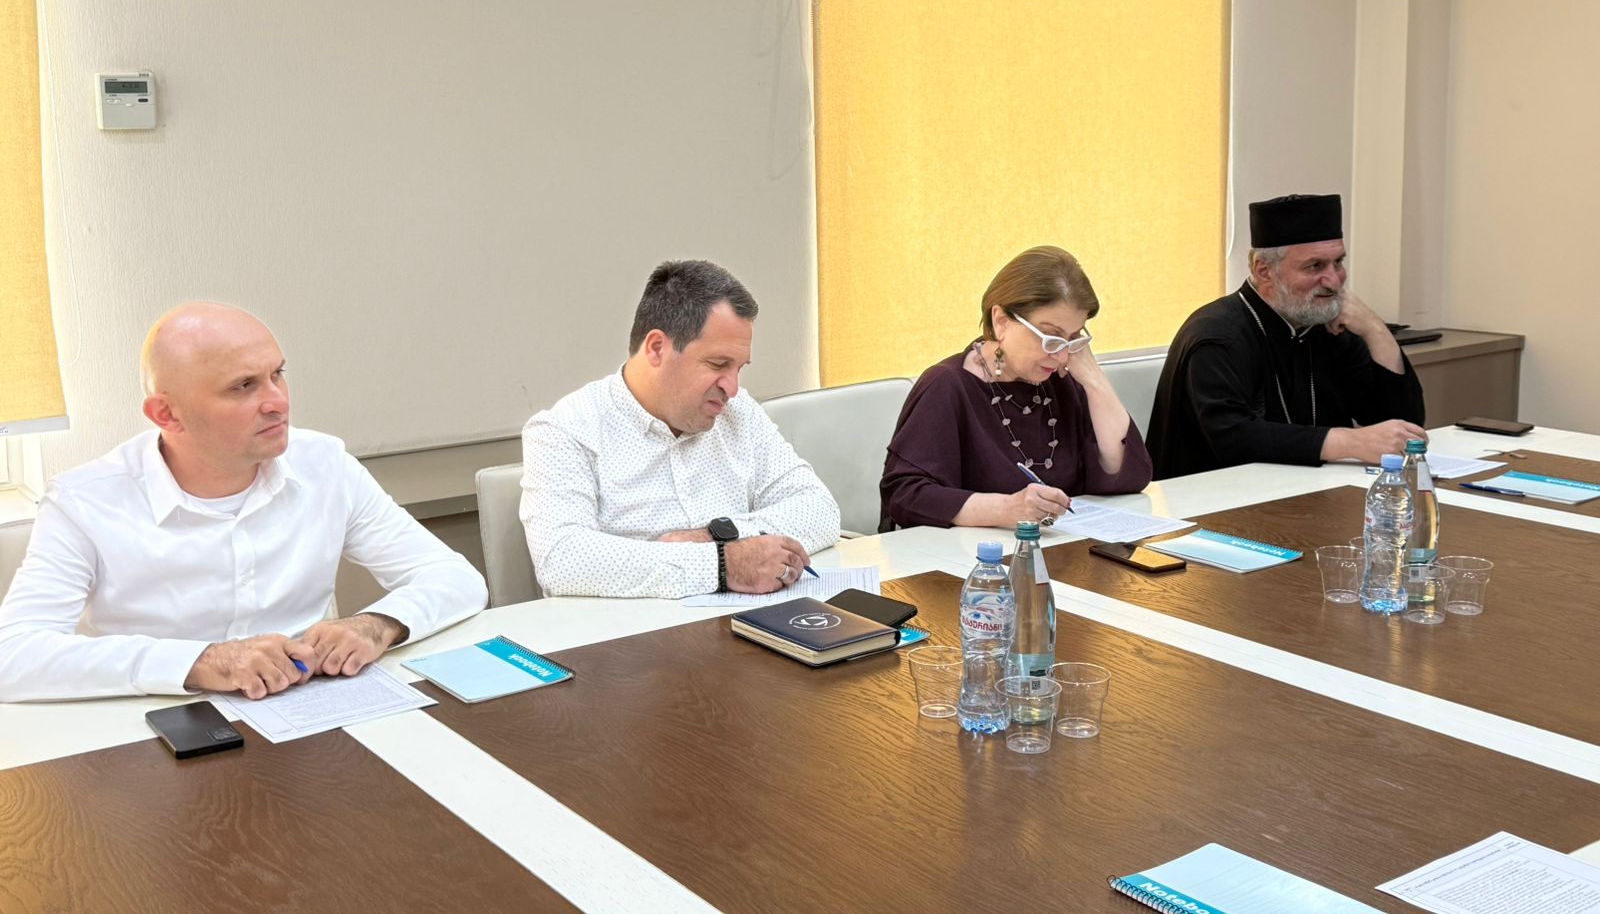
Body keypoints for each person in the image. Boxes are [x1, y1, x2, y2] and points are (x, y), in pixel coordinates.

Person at [0, 302, 487, 704]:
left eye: (278, 374)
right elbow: (13, 655)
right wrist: (203, 661)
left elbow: (455, 578)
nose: (278, 402)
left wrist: (376, 625)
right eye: (244, 386)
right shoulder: (85, 500)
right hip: (153, 724)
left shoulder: (324, 464)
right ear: (167, 414)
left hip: (311, 711)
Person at [522, 260, 841, 599]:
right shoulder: (564, 430)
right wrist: (723, 565)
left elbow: (820, 509)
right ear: (656, 348)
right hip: (634, 630)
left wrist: (715, 537)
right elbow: (562, 559)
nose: (732, 388)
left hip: (745, 622)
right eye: (718, 364)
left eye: (738, 368)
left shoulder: (739, 412)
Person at [1146, 193, 1427, 479]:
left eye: (1338, 262)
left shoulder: (1328, 323)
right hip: (1217, 496)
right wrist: (1348, 442)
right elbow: (1231, 438)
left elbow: (1403, 431)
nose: (1334, 281)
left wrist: (1375, 330)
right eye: (1315, 266)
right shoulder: (1217, 335)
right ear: (1264, 271)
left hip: (1312, 488)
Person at [880, 246, 1152, 531]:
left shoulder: (1062, 377)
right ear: (1001, 321)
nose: (1061, 355)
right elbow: (905, 496)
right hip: (976, 555)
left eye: (1073, 338)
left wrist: (1095, 381)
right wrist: (1005, 509)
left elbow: (1129, 478)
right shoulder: (948, 386)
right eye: (1050, 337)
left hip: (1065, 548)